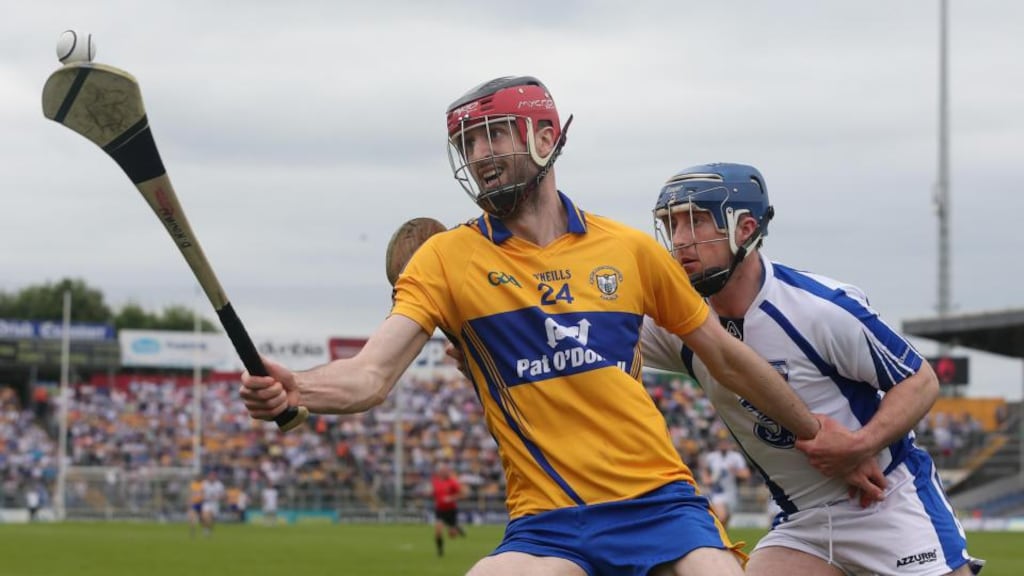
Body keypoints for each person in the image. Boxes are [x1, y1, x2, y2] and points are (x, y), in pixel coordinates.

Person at [240, 76, 839, 576]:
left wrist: (818, 435)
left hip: (661, 502)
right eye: (468, 143)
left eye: (495, 134)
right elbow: (371, 376)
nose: (479, 155)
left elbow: (728, 359)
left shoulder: (629, 250)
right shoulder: (446, 260)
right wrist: (299, 386)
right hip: (551, 521)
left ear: (546, 138)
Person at [642, 162, 984, 575]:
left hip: (887, 502)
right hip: (803, 523)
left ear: (746, 228)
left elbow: (921, 380)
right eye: (671, 225)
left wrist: (860, 445)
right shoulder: (677, 323)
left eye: (696, 222)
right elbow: (595, 336)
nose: (680, 242)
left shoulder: (818, 309)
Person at [700, 434, 750, 528]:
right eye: (721, 442)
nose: (723, 444)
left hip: (732, 492)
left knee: (726, 520)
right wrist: (707, 480)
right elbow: (705, 471)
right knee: (721, 517)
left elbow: (746, 474)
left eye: (725, 442)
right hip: (718, 492)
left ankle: (723, 539)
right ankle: (718, 538)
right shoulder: (712, 457)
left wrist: (734, 471)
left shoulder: (736, 457)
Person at [431, 461, 467, 556]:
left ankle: (457, 528)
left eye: (445, 471)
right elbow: (434, 493)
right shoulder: (435, 481)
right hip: (440, 509)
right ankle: (440, 551)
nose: (444, 472)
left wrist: (451, 498)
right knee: (438, 530)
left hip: (451, 510)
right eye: (442, 471)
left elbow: (462, 494)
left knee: (452, 535)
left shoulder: (452, 482)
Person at [200, 470, 225, 536]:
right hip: (207, 502)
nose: (211, 477)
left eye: (213, 476)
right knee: (205, 516)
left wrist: (217, 497)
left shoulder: (219, 484)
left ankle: (209, 529)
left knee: (211, 519)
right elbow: (201, 492)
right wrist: (203, 496)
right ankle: (205, 529)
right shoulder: (204, 483)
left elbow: (223, 495)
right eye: (210, 476)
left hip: (215, 503)